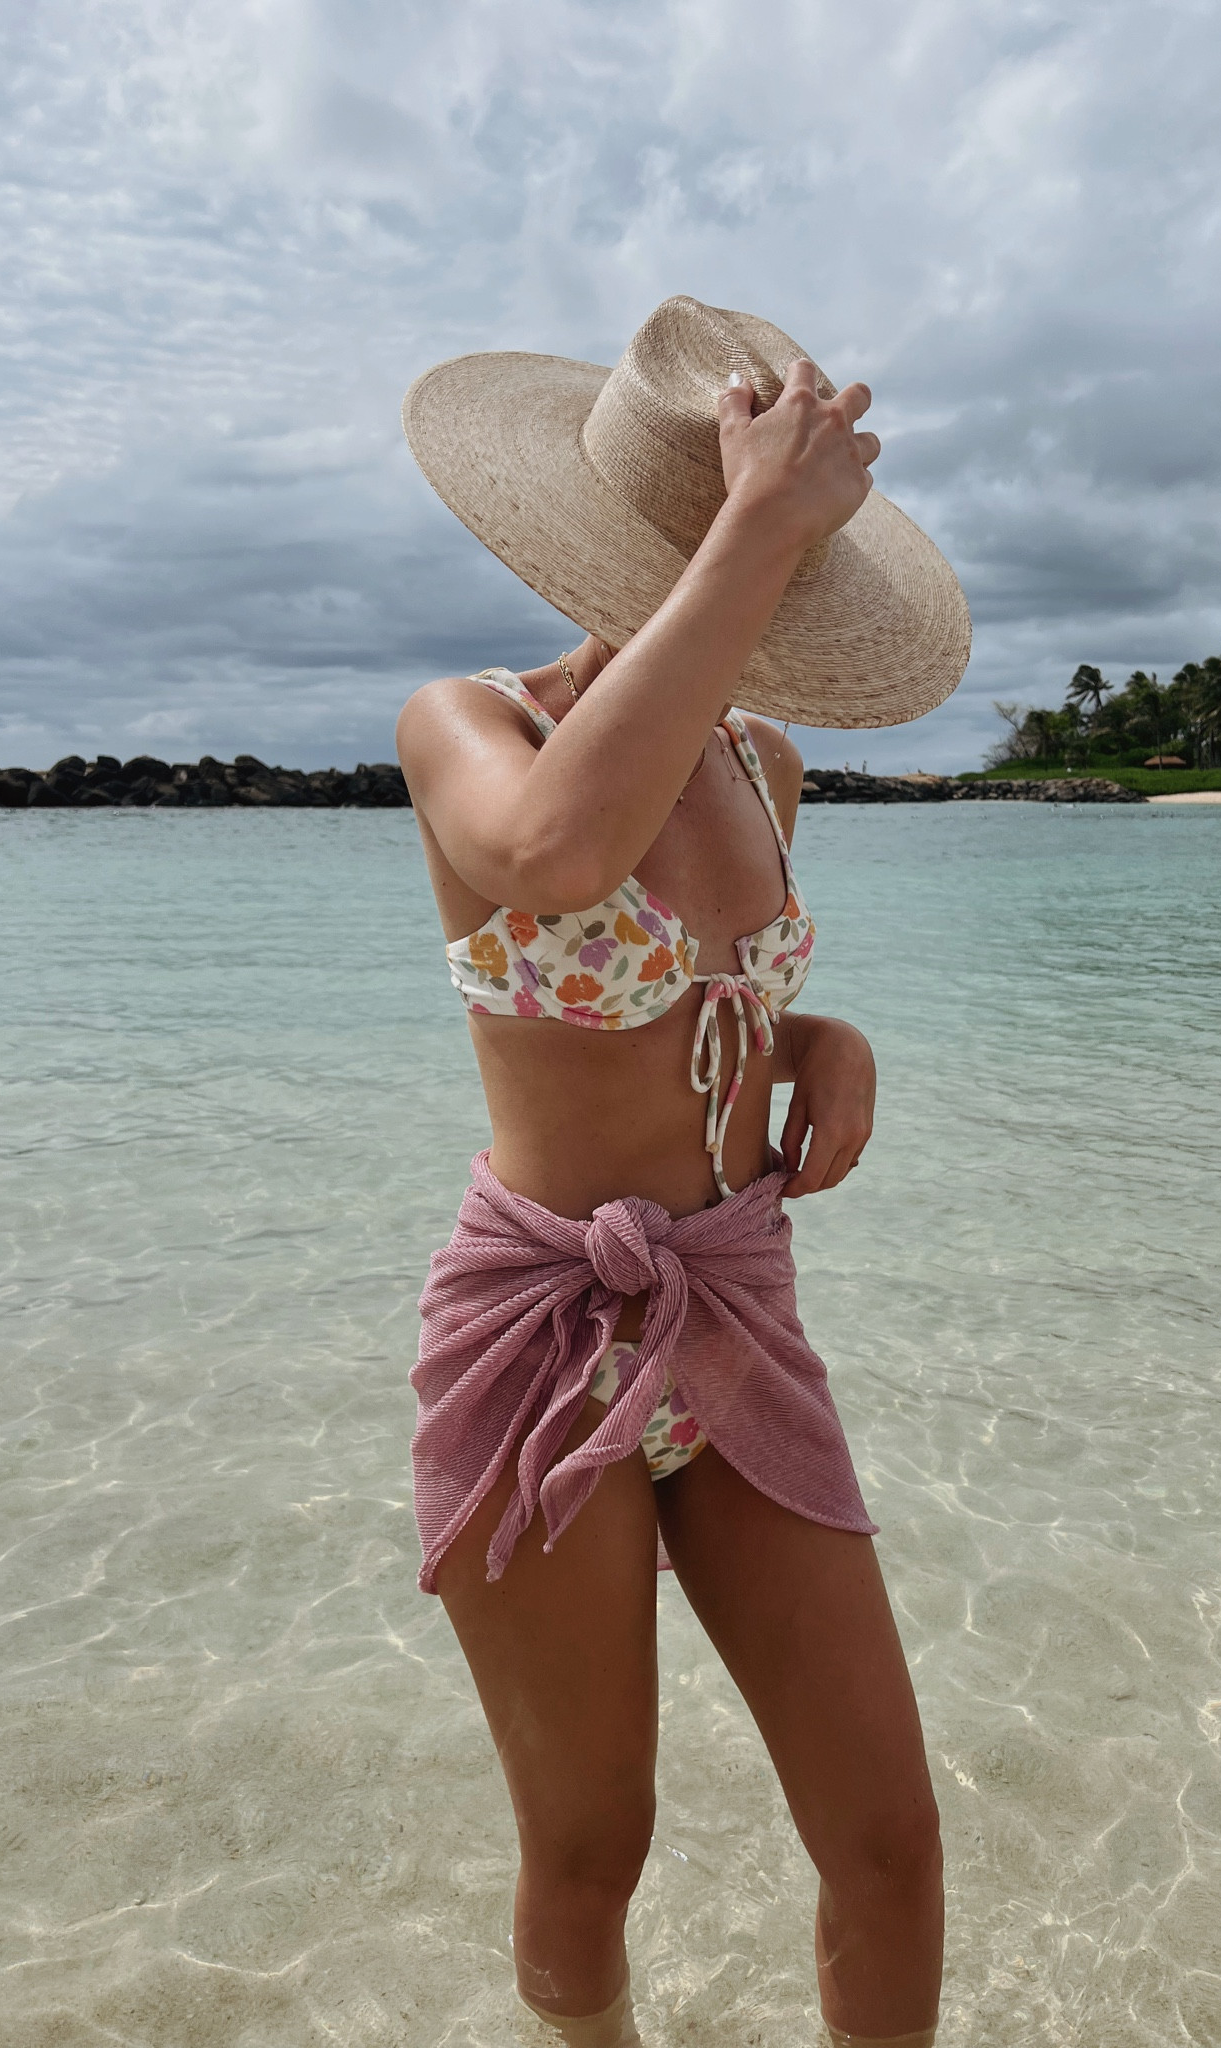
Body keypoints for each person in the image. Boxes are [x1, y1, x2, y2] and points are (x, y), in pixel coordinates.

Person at [395, 298, 970, 2048]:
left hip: (733, 1308)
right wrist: (755, 530)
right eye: (753, 545)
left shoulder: (762, 760)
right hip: (539, 1326)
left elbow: (694, 1012)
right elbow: (555, 867)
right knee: (592, 1847)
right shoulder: (466, 723)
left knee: (889, 1840)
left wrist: (824, 1041)